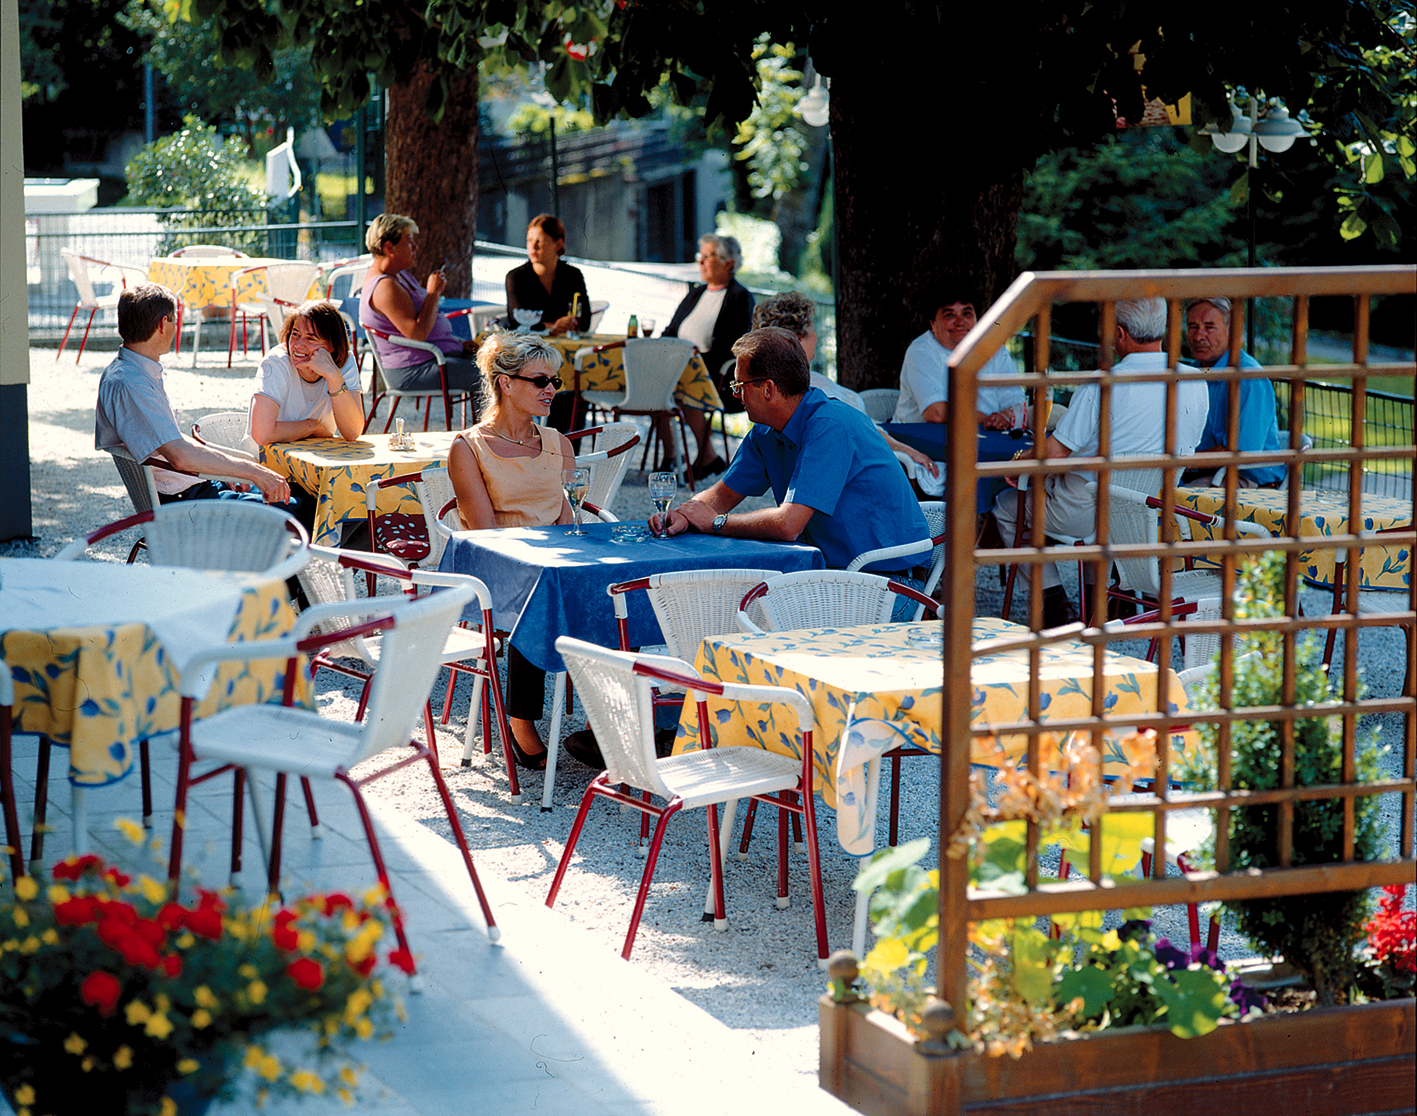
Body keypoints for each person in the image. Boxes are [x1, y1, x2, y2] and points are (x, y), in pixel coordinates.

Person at [651, 327, 932, 612]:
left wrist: (715, 523)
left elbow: (787, 525)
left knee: (742, 614)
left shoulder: (829, 426)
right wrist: (684, 515)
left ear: (768, 389)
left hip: (889, 585)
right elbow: (722, 495)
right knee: (725, 608)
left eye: (739, 386)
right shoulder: (766, 430)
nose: (736, 395)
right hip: (837, 577)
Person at [989, 297, 1209, 628]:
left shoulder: (1103, 382)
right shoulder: (1194, 380)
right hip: (1145, 514)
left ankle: (1054, 605)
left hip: (1082, 513)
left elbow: (1055, 452)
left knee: (1007, 505)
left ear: (1119, 333)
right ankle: (1098, 603)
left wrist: (1020, 460)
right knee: (1105, 503)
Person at [447, 333, 577, 771]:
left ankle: (610, 720)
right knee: (537, 593)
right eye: (540, 380)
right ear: (505, 383)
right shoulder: (468, 447)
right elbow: (485, 534)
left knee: (612, 594)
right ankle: (521, 720)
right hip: (498, 568)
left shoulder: (558, 443)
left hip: (552, 562)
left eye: (555, 381)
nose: (551, 389)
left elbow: (567, 519)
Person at [95, 282, 291, 505]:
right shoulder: (132, 384)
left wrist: (228, 470)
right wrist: (251, 471)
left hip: (195, 487)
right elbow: (179, 455)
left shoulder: (129, 372)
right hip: (189, 501)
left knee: (292, 494)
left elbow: (169, 440)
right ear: (163, 324)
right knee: (302, 508)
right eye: (174, 320)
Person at [750, 291, 940, 482]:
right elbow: (863, 434)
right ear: (798, 340)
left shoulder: (773, 390)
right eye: (813, 328)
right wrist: (906, 450)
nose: (815, 335)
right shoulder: (815, 392)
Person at [245, 298, 365, 531]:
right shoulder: (277, 362)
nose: (298, 345)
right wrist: (313, 426)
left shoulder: (344, 362)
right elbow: (262, 433)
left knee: (362, 507)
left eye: (311, 338)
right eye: (295, 334)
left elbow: (352, 431)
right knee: (317, 511)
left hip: (316, 470)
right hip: (269, 472)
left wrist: (333, 376)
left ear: (331, 346)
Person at [360, 213, 481, 414]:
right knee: (490, 374)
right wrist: (433, 294)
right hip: (413, 370)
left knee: (493, 363)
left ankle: (495, 429)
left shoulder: (399, 276)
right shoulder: (385, 286)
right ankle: (493, 431)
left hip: (431, 358)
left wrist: (459, 344)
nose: (415, 247)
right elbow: (417, 334)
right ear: (389, 248)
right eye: (409, 242)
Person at [660, 233, 754, 480]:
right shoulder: (696, 293)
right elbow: (671, 330)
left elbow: (733, 345)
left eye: (707, 256)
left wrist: (693, 358)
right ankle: (672, 455)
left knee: (682, 386)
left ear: (728, 262)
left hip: (716, 373)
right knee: (652, 384)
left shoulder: (740, 297)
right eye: (700, 256)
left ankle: (707, 457)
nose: (700, 262)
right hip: (679, 366)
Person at [1181, 296, 1284, 488]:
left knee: (1173, 498)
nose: (1198, 336)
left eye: (1209, 327)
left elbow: (1241, 453)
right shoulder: (1193, 371)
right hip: (1205, 471)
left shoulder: (1248, 378)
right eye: (1193, 327)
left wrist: (1183, 462)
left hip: (1250, 480)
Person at [893, 285, 1026, 428]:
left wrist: (1005, 417)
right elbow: (937, 414)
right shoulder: (921, 351)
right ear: (933, 324)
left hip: (985, 434)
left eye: (967, 314)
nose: (960, 322)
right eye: (949, 315)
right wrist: (989, 420)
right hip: (916, 436)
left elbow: (1016, 403)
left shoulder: (994, 349)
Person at [505, 214, 592, 431]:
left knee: (576, 387)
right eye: (529, 240)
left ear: (558, 244)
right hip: (529, 356)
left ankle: (567, 443)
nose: (533, 247)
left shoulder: (572, 275)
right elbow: (516, 319)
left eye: (540, 241)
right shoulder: (516, 277)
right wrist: (553, 326)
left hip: (566, 356)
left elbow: (585, 320)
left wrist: (568, 322)